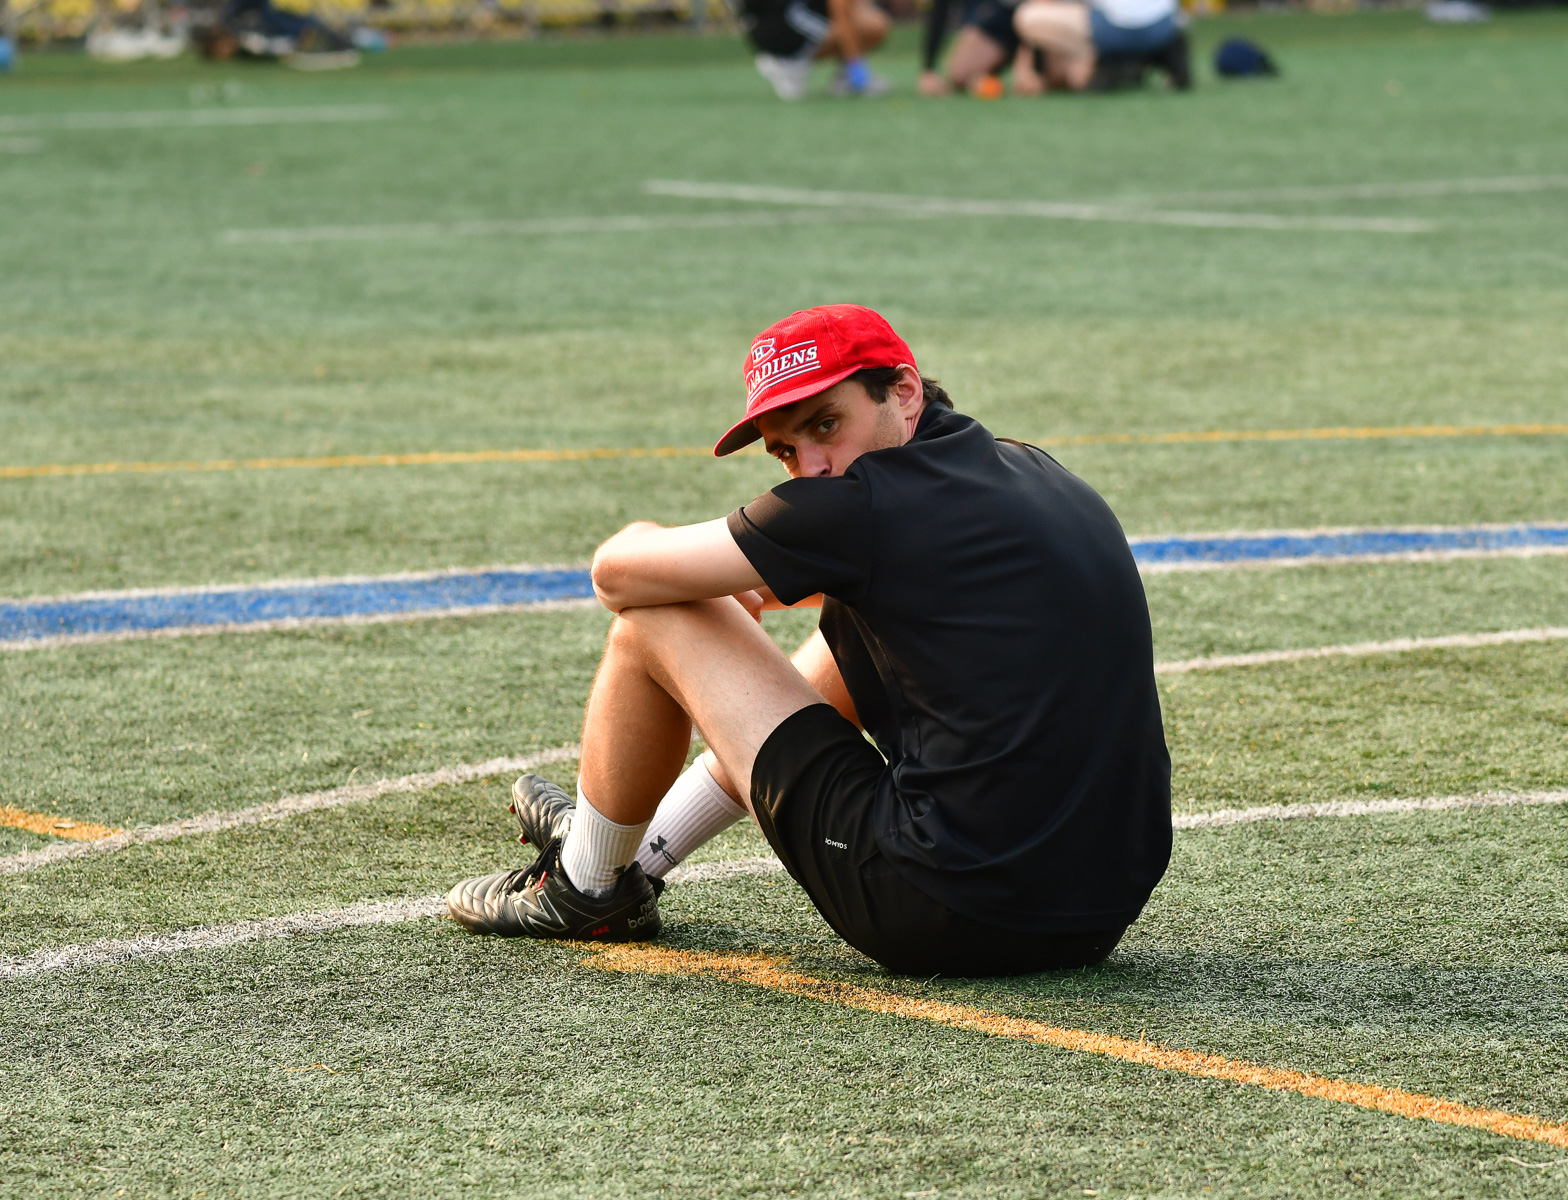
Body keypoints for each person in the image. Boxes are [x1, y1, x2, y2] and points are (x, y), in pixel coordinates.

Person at [447, 305, 1172, 978]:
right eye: (786, 451)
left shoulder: (856, 510)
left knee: (655, 619)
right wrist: (760, 585)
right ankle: (633, 850)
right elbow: (917, 577)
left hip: (944, 911)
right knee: (857, 617)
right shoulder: (1032, 468)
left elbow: (615, 574)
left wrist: (698, 582)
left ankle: (585, 883)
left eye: (826, 424)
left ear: (903, 391)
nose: (812, 466)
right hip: (1096, 912)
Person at [1011, 0, 1190, 93]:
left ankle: (1113, 60)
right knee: (1077, 76)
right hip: (1165, 25)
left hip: (1112, 28)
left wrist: (1025, 69)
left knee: (1027, 17)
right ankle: (1137, 58)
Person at [740, 0, 893, 99]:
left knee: (861, 17)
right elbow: (842, 14)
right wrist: (856, 64)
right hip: (780, 28)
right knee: (871, 26)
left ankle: (844, 75)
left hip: (760, 29)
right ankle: (786, 64)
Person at [917, 0, 1022, 96]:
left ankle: (1028, 70)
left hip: (1027, 20)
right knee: (959, 75)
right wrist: (929, 68)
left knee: (1027, 87)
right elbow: (941, 8)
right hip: (995, 19)